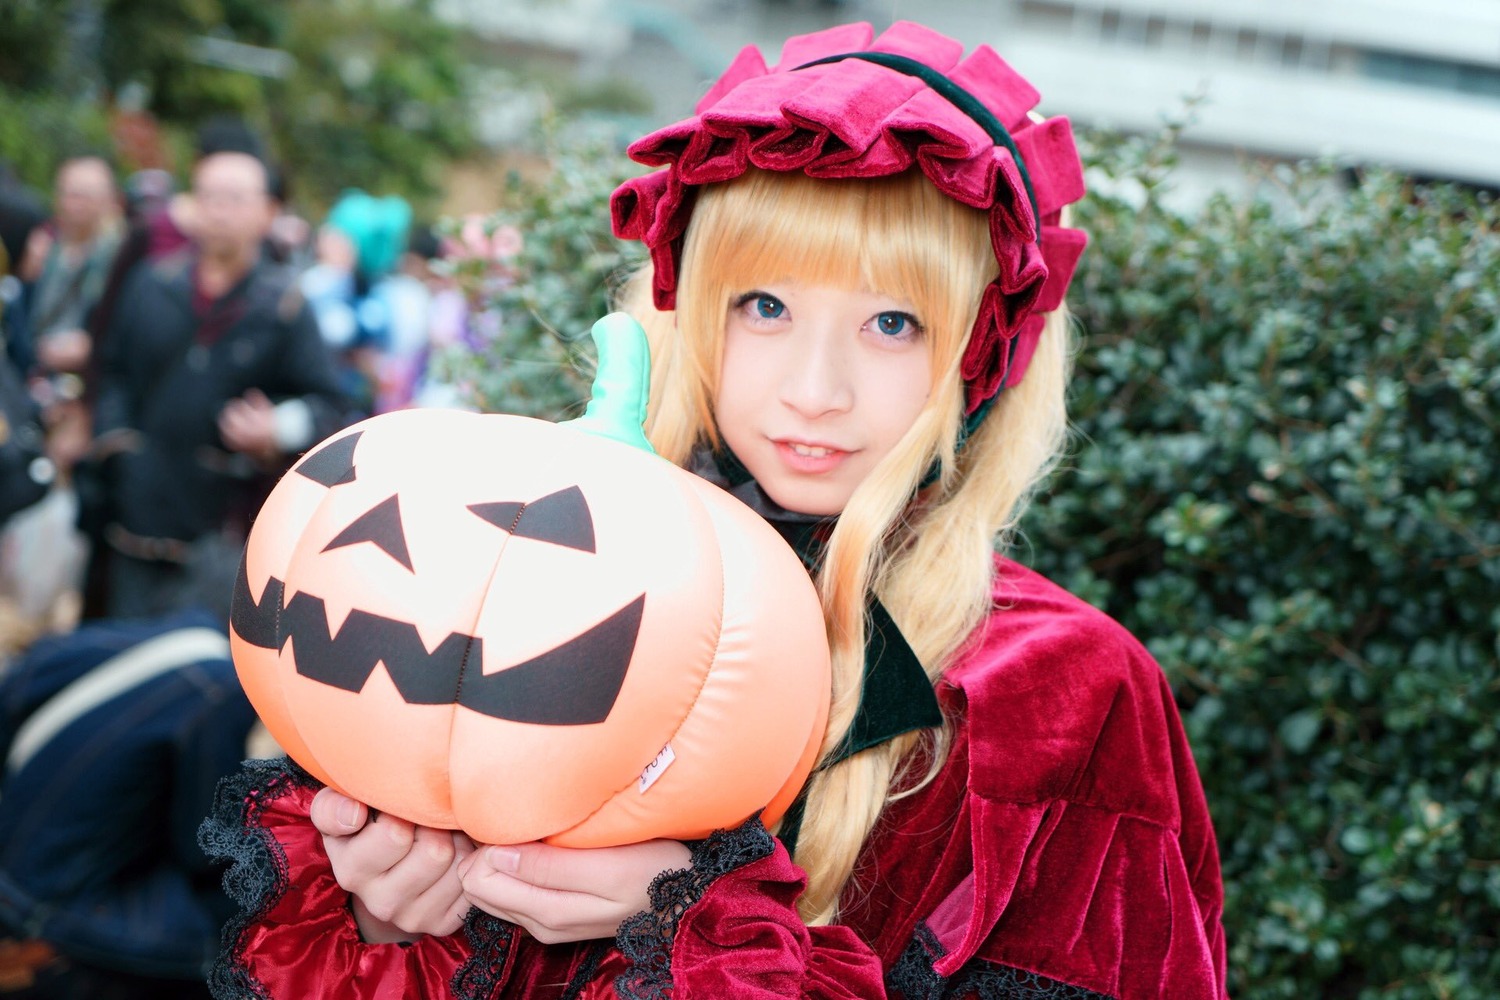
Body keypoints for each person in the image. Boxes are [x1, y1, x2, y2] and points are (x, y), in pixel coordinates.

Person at [200, 20, 1228, 999]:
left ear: (976, 354)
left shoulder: (1062, 692)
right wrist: (397, 929)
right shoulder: (543, 571)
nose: (814, 388)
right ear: (689, 307)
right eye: (766, 307)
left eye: (892, 322)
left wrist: (693, 923)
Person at [86, 148, 349, 621]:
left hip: (221, 528)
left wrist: (277, 428)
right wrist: (117, 446)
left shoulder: (284, 307)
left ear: (269, 211)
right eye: (208, 196)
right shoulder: (152, 282)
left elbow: (332, 405)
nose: (219, 211)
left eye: (234, 198)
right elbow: (110, 371)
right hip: (133, 513)